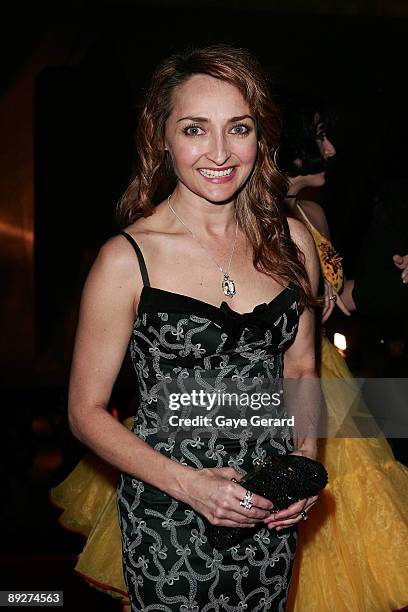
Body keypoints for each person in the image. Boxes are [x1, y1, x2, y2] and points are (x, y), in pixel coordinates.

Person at [52, 45, 322, 611]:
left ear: (261, 137)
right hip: (170, 515)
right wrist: (190, 485)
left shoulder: (293, 245)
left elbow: (299, 366)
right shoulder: (127, 260)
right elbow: (84, 412)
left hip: (268, 513)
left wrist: (303, 460)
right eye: (195, 129)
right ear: (162, 138)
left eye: (238, 128)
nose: (220, 153)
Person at [278, 99, 408, 611]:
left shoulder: (314, 214)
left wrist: (393, 279)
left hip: (327, 376)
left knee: (341, 530)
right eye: (318, 137)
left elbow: (333, 304)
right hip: (268, 380)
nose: (331, 150)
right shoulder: (240, 210)